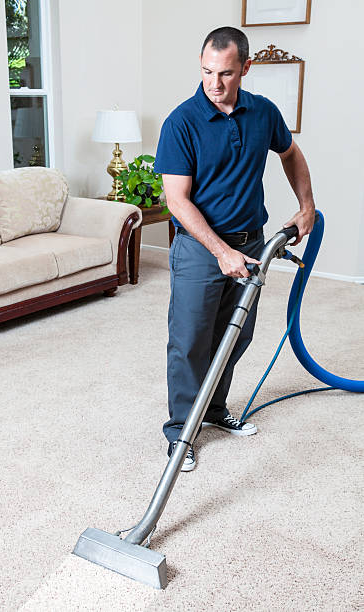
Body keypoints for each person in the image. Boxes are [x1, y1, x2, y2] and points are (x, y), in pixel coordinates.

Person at [153, 26, 315, 471]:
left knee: (234, 335)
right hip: (200, 250)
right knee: (189, 342)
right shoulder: (182, 121)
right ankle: (181, 432)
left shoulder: (263, 113)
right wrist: (220, 250)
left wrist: (306, 206)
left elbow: (290, 153)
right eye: (206, 71)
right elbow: (177, 200)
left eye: (225, 73)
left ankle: (214, 408)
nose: (214, 83)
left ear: (245, 68)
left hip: (252, 246)